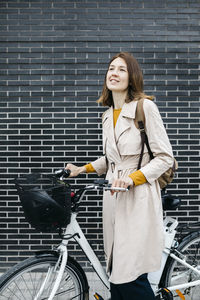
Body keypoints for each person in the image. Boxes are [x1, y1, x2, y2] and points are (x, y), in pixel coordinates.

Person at [65, 52, 174, 300]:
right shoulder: (106, 115)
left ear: (132, 76)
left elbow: (164, 157)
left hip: (139, 196)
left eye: (121, 69)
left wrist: (132, 178)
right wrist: (82, 169)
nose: (113, 73)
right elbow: (112, 160)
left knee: (130, 274)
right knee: (116, 269)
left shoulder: (145, 107)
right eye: (111, 68)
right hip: (113, 198)